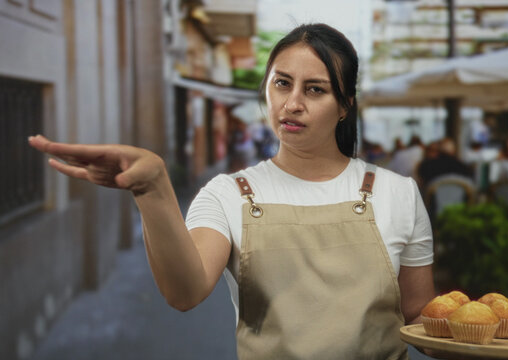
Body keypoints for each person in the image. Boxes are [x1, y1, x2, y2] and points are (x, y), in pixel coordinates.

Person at [29, 23, 435, 359]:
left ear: (345, 104)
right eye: (282, 83)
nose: (291, 103)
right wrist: (153, 189)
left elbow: (417, 312)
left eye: (315, 89)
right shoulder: (228, 194)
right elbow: (184, 292)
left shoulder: (398, 193)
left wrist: (481, 336)